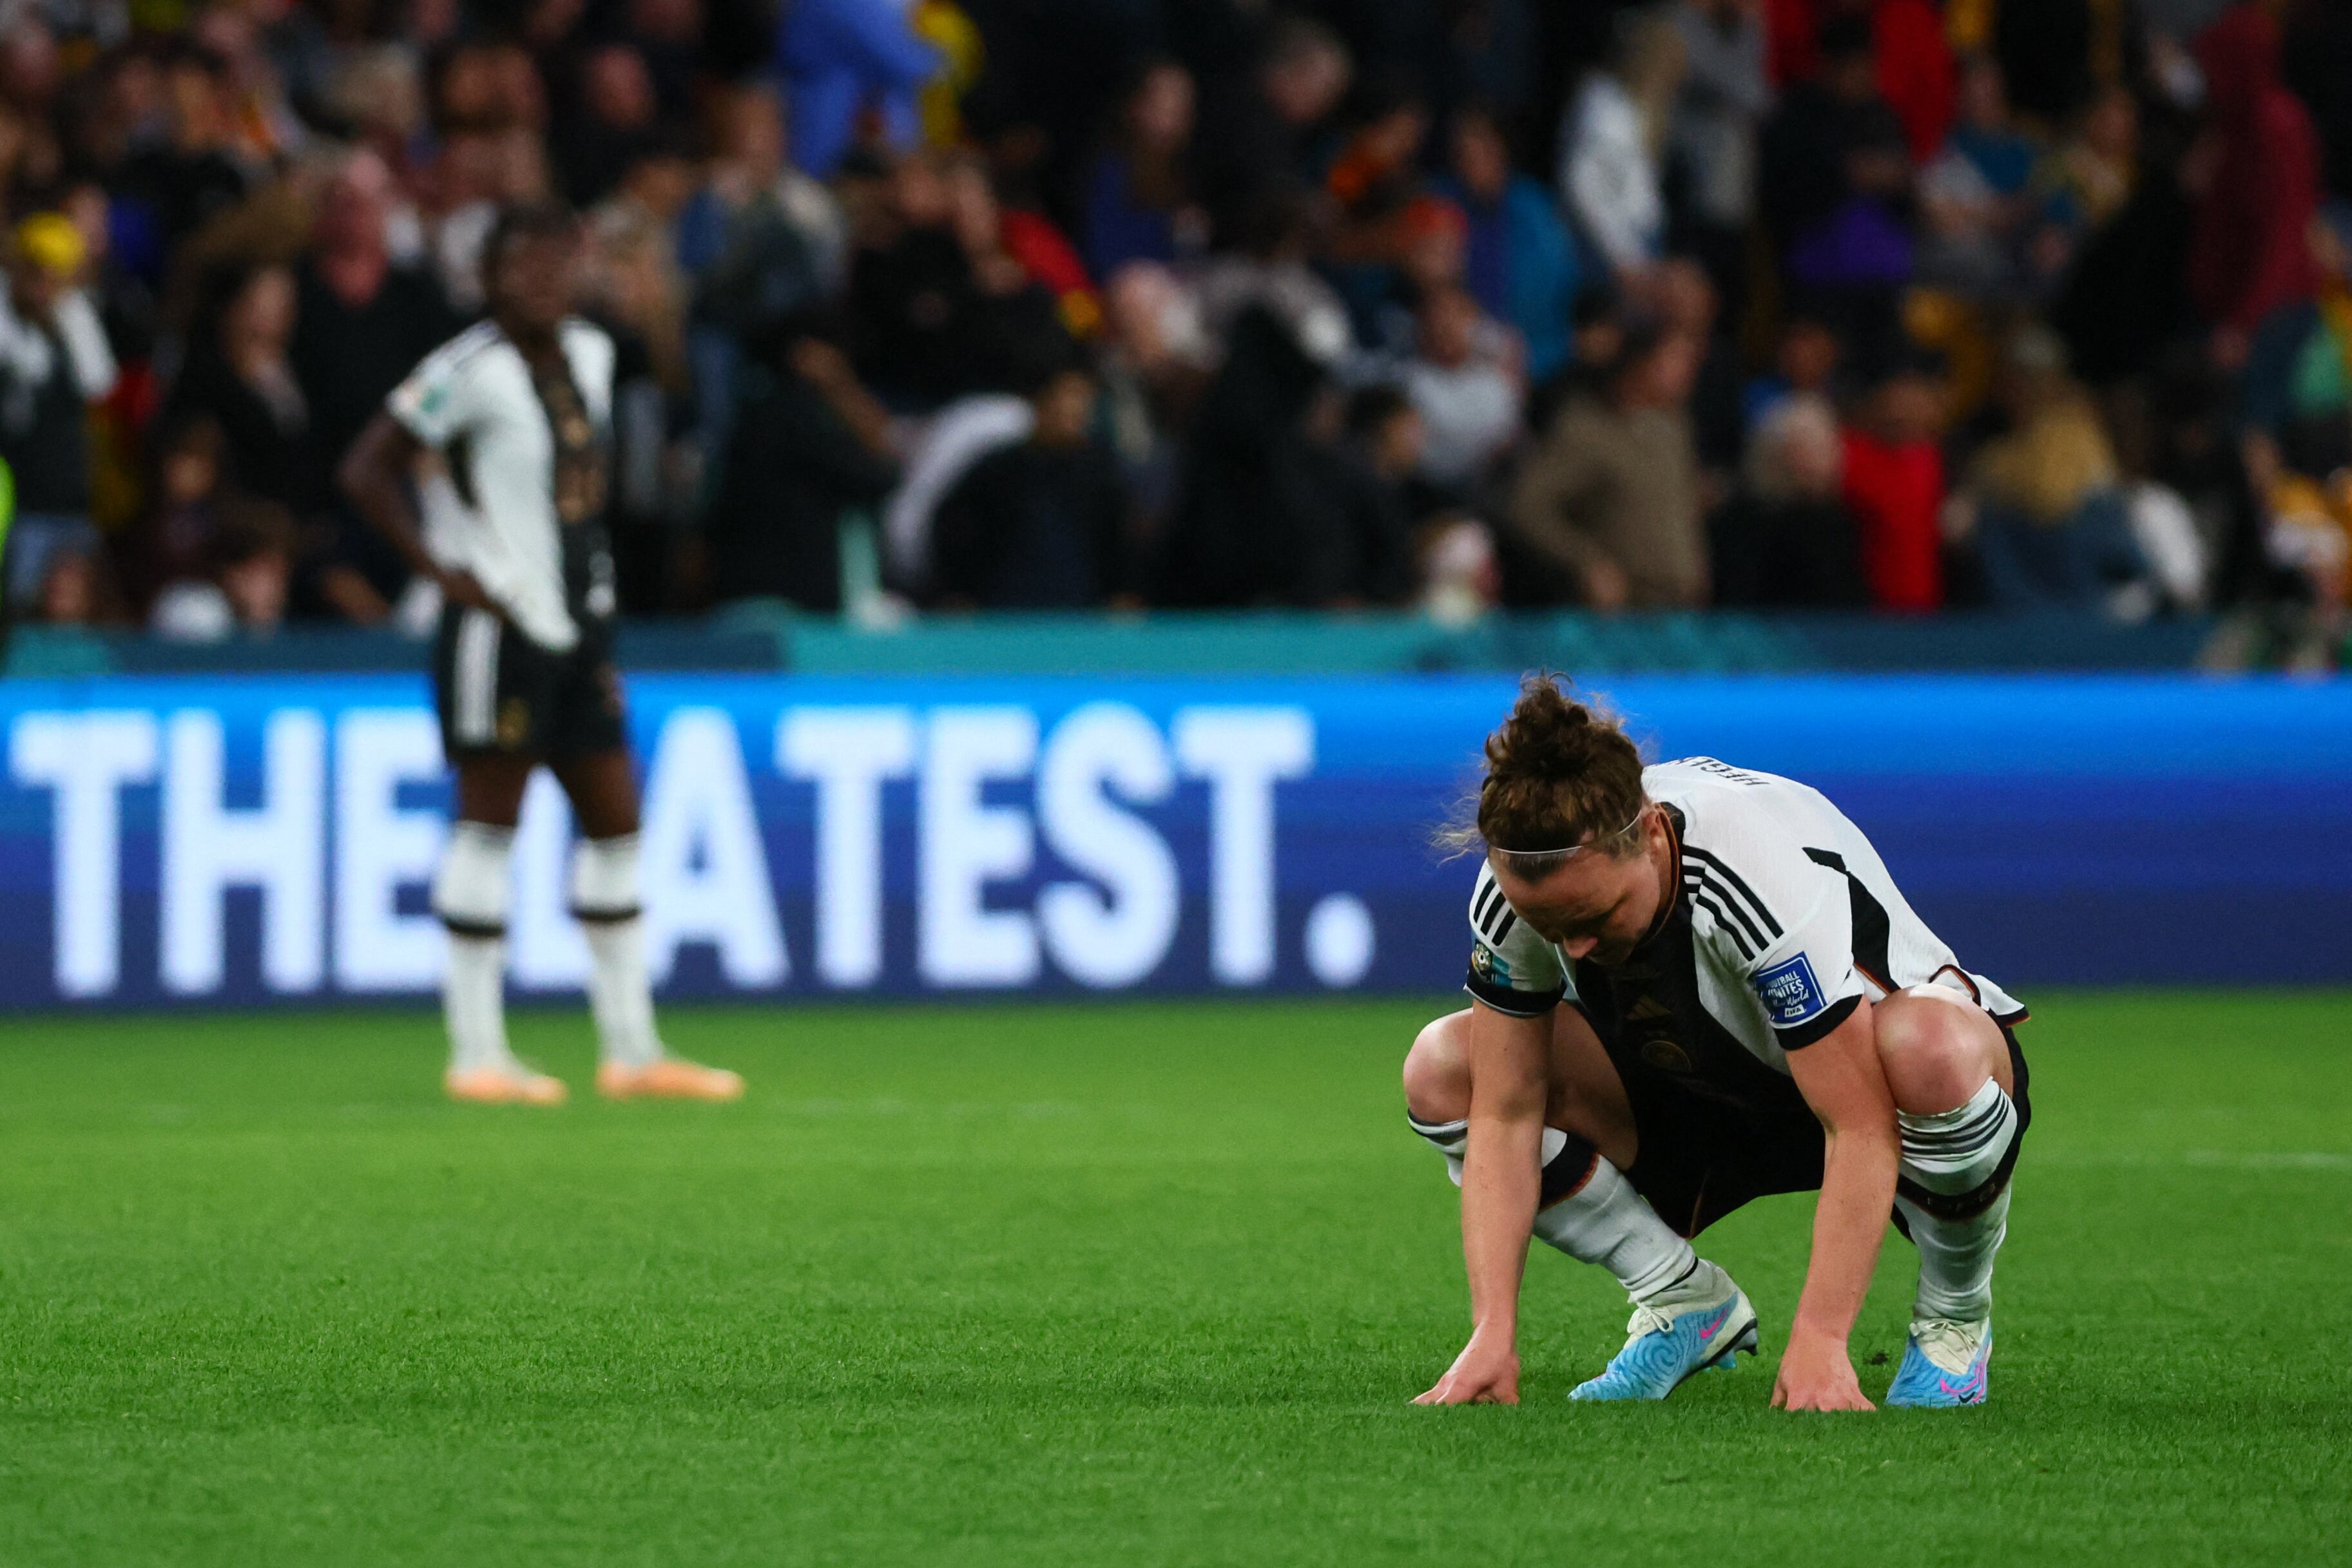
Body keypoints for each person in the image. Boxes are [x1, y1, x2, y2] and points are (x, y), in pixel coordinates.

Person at [1408, 677, 2030, 1410]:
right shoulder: (1521, 885)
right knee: (1448, 1068)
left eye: (1594, 915)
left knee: (1929, 1047)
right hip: (1692, 1087)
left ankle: (1953, 1322)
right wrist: (1492, 1333)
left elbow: (1857, 1123)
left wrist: (1821, 1342)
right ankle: (1682, 1301)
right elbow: (1506, 1114)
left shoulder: (1749, 870)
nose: (1572, 945)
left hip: (1868, 1091)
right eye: (1549, 929)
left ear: (1650, 836)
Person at [340, 203, 742, 1107]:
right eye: (518, 267)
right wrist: (444, 570)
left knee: (617, 824)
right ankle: (476, 1051)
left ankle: (631, 1049)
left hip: (579, 623)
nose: (539, 282)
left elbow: (583, 496)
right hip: (498, 626)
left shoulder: (594, 355)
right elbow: (367, 467)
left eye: (555, 265)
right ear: (487, 278)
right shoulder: (465, 370)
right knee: (489, 825)